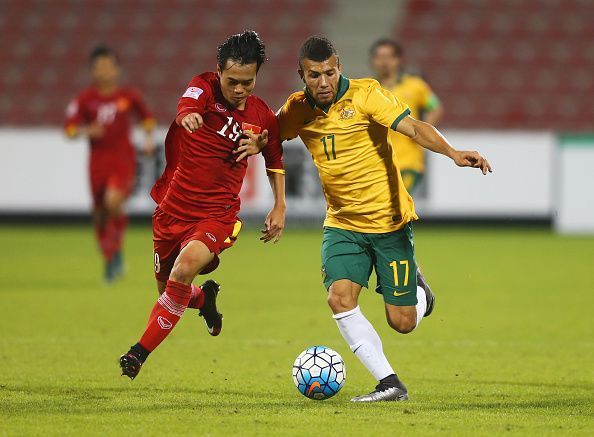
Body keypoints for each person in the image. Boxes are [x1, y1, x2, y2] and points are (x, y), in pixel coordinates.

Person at [277, 36, 491, 402]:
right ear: (302, 75)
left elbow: (414, 127)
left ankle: (422, 295)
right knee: (339, 298)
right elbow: (268, 138)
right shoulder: (296, 109)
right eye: (314, 75)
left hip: (389, 224)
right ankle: (389, 383)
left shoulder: (366, 94)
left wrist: (452, 152)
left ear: (339, 67)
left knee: (402, 322)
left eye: (330, 72)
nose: (324, 82)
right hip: (343, 223)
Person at [119, 31, 286, 380]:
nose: (239, 89)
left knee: (182, 270)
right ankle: (202, 299)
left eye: (248, 82)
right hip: (171, 210)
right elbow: (187, 105)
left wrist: (279, 206)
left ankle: (138, 354)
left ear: (257, 76)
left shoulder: (262, 116)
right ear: (218, 71)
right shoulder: (204, 87)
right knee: (169, 292)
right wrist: (188, 116)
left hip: (215, 215)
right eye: (232, 81)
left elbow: (275, 161)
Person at [64, 45, 156, 282]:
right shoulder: (85, 99)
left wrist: (147, 138)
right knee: (99, 213)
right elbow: (70, 129)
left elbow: (146, 118)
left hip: (123, 160)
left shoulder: (128, 96)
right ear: (92, 71)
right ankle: (111, 255)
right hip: (97, 163)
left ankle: (115, 250)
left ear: (117, 69)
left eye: (108, 66)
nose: (104, 71)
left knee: (113, 201)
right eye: (99, 67)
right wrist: (86, 130)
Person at [370, 38, 444, 195]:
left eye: (388, 57)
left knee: (395, 204)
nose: (384, 62)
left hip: (408, 162)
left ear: (398, 60)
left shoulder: (416, 85)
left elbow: (435, 107)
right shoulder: (368, 90)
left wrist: (423, 130)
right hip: (377, 164)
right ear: (373, 61)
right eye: (379, 57)